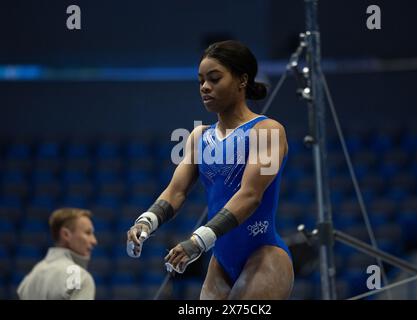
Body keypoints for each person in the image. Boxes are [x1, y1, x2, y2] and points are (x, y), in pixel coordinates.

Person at [127, 40, 294, 299]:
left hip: (263, 256)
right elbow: (176, 191)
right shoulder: (198, 136)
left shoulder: (267, 131)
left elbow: (251, 196)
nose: (205, 87)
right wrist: (146, 221)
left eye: (215, 79)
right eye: (201, 80)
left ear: (242, 80)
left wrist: (198, 241)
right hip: (221, 261)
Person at [17, 207, 97, 300]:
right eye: (88, 233)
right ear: (66, 234)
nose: (94, 241)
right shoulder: (79, 277)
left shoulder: (31, 277)